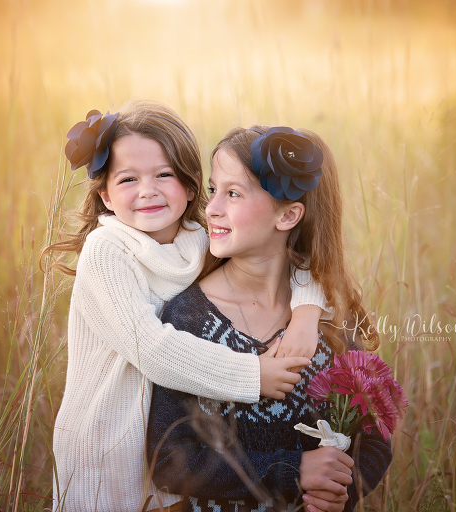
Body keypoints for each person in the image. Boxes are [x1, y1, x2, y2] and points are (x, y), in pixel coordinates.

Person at [44, 102, 330, 512]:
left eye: (164, 175)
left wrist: (305, 312)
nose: (148, 190)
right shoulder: (106, 251)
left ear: (192, 186)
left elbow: (287, 257)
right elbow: (151, 348)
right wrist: (253, 374)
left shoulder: (198, 240)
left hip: (165, 447)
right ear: (105, 194)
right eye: (128, 179)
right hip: (105, 444)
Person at [147, 126, 392, 512]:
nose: (211, 208)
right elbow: (167, 462)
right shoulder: (188, 316)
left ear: (288, 215)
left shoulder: (329, 321)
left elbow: (375, 438)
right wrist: (294, 471)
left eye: (233, 193)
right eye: (213, 189)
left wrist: (338, 492)